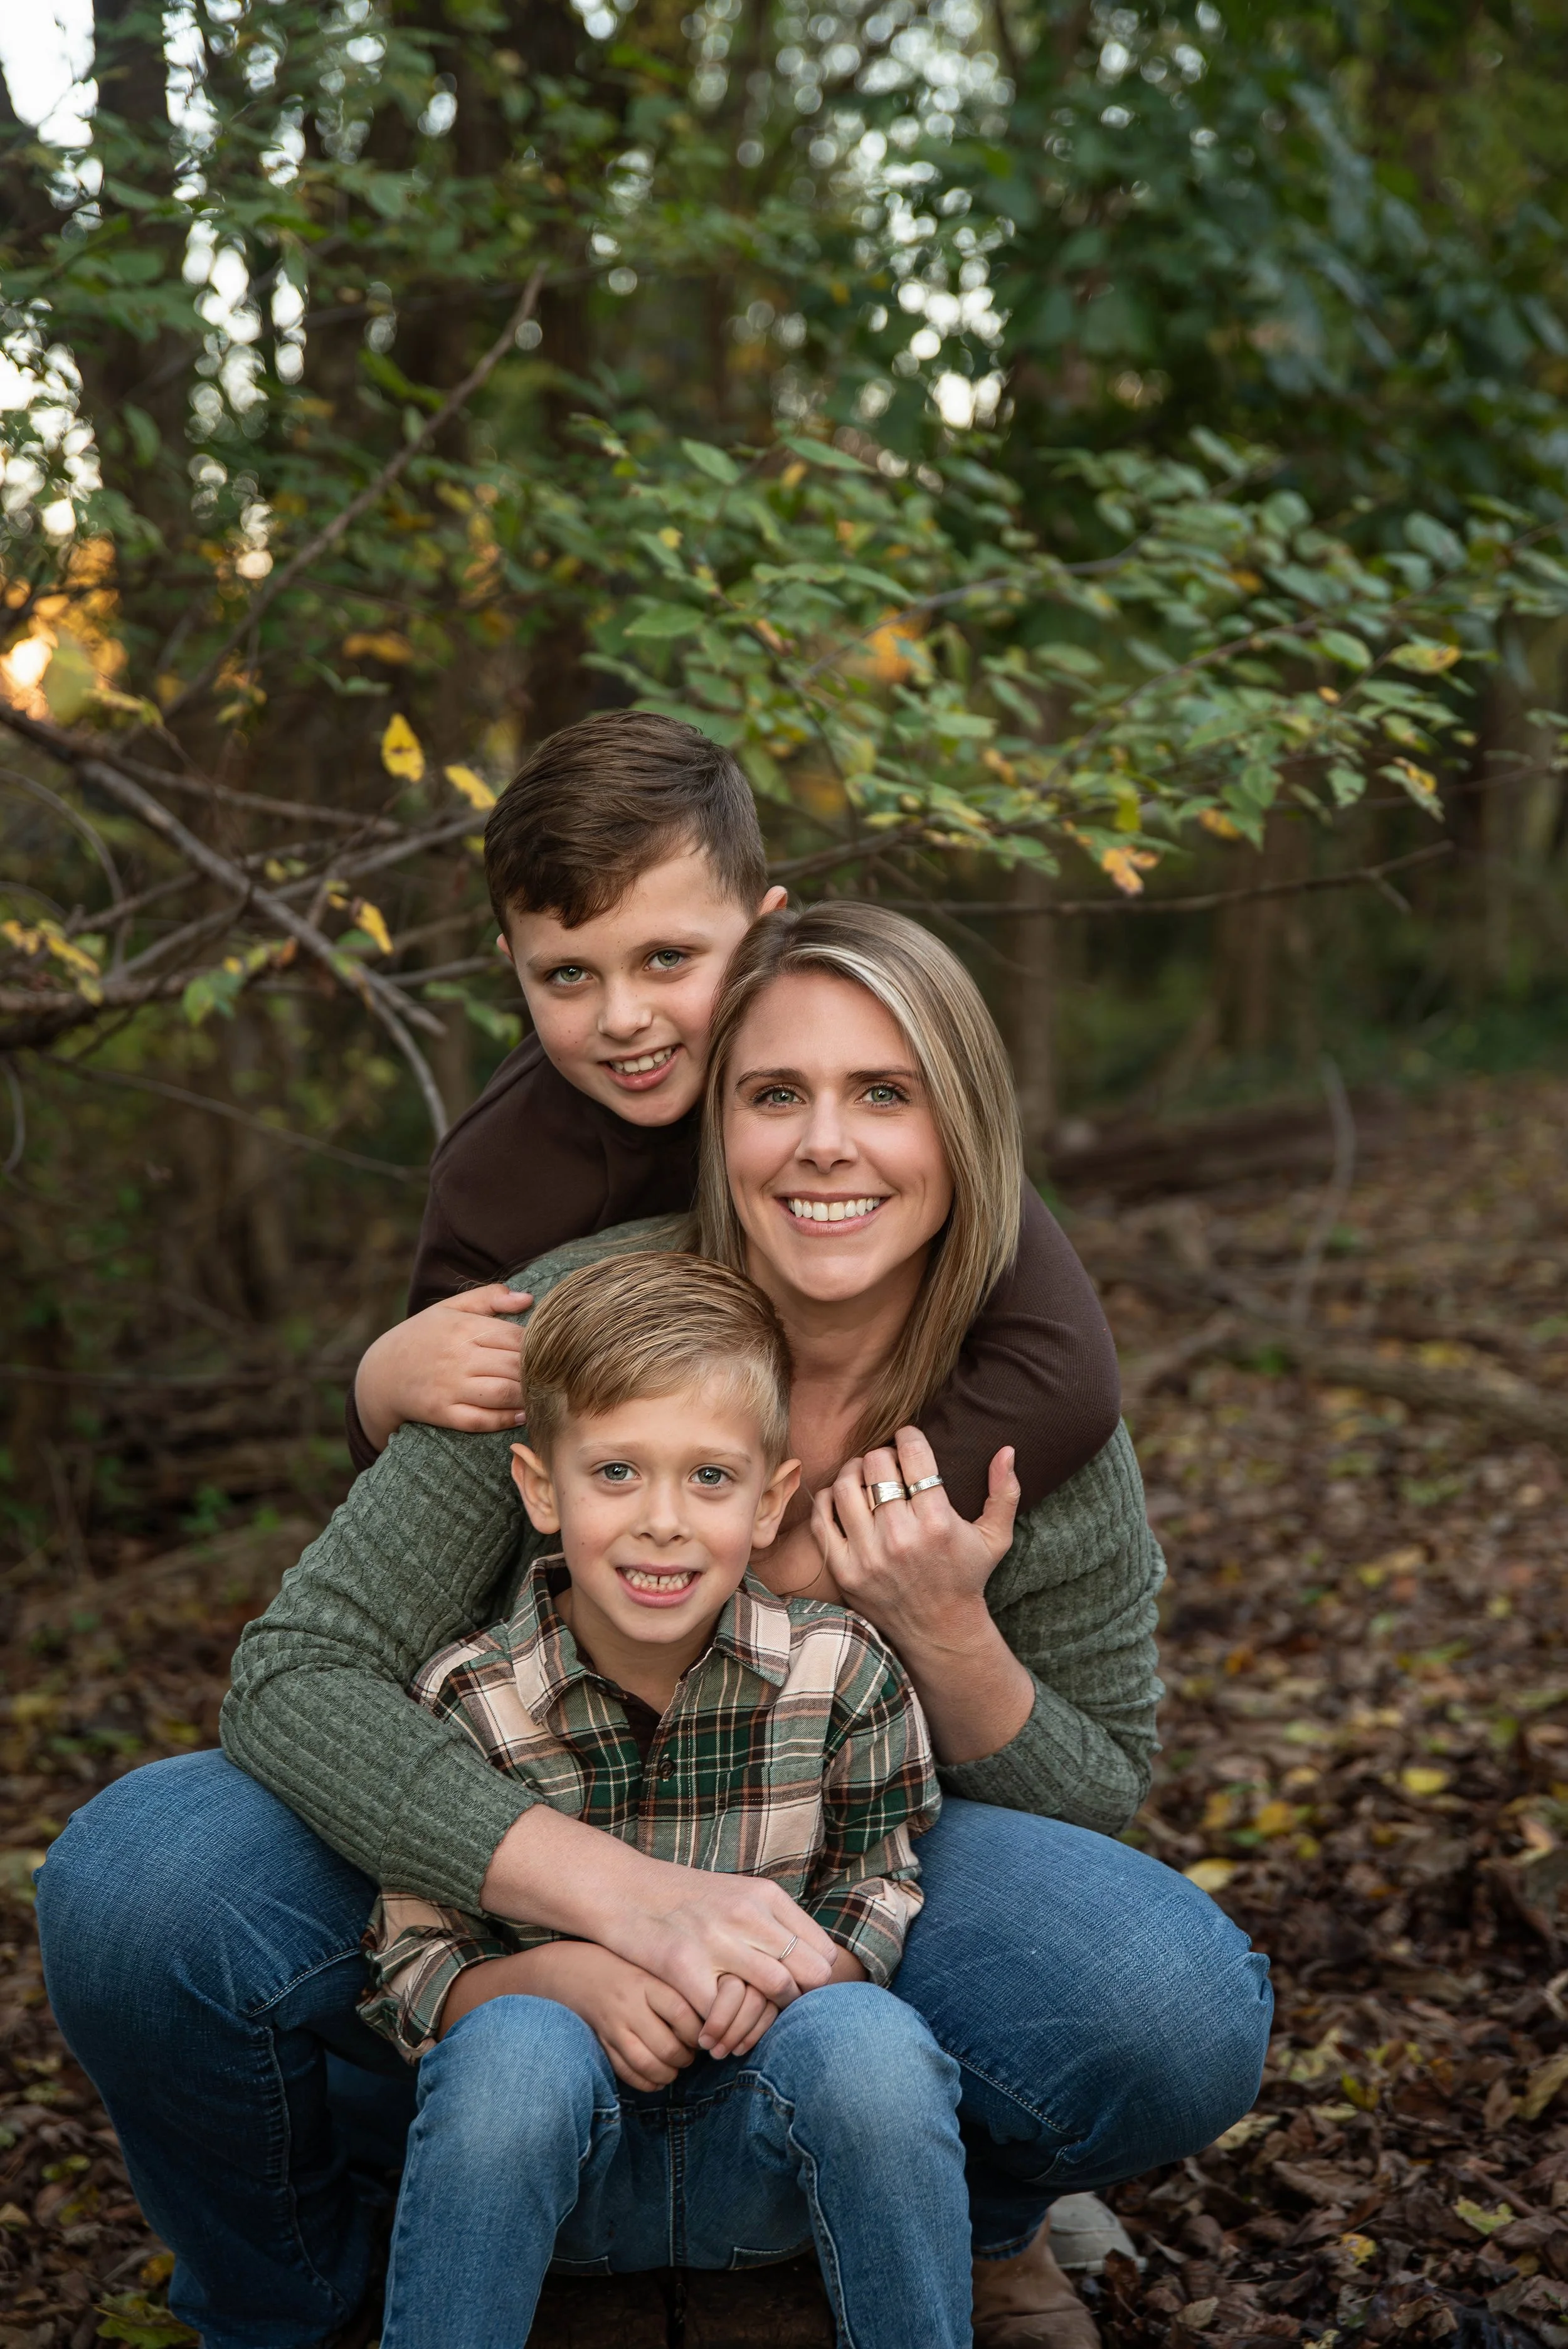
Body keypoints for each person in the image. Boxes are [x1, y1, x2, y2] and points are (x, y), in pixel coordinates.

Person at [37, 904, 1272, 2349]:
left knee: (1166, 2000)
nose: (825, 1144)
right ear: (717, 1127)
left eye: (885, 1093)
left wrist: (943, 1631)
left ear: (966, 1131)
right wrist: (612, 1894)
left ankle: (968, 2223)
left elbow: (1092, 1795)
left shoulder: (1031, 1419)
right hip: (513, 1892)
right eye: (772, 1095)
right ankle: (302, 2290)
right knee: (136, 1879)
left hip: (818, 1910)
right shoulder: (581, 1317)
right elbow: (295, 1672)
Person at [363, 1248, 963, 2348]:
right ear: (541, 1488)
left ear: (773, 1497)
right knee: (513, 2054)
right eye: (617, 1473)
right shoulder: (471, 1701)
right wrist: (561, 1979)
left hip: (762, 2155)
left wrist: (800, 1974)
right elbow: (410, 1959)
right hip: (557, 2176)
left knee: (869, 2042)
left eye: (711, 1479)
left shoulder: (843, 1674)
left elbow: (878, 1882)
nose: (664, 1522)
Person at [342, 706, 1124, 1527]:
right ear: (516, 970)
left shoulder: (858, 1084)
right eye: (569, 975)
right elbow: (437, 1451)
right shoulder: (498, 1171)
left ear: (763, 928)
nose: (623, 1018)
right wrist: (375, 1394)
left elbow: (1067, 1370)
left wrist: (846, 1540)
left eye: (667, 959)